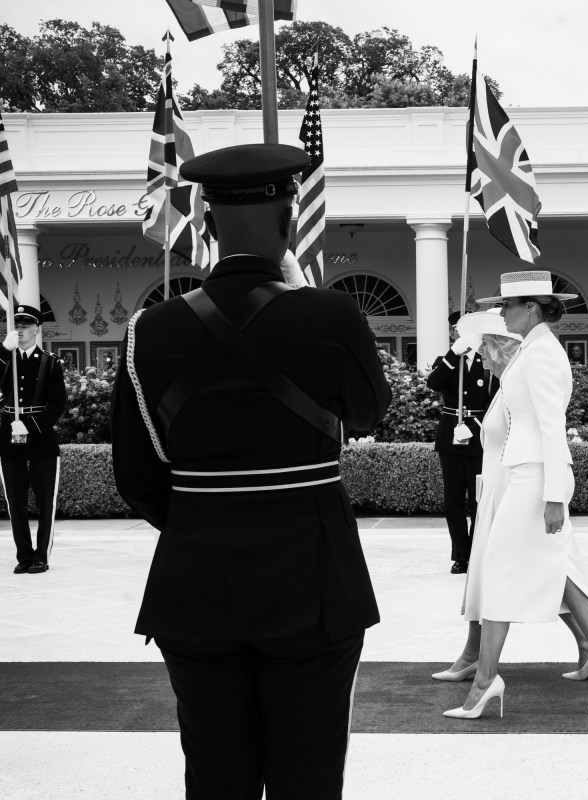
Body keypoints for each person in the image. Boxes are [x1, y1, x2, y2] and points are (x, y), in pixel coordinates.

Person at [111, 143, 392, 799]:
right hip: (313, 584)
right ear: (290, 220)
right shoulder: (331, 316)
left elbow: (137, 477)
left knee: (215, 779)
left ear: (205, 222)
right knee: (308, 779)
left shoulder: (149, 330)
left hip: (197, 584)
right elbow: (371, 413)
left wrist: (208, 520)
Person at [443, 270, 588, 719]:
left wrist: (555, 493)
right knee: (566, 579)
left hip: (535, 478)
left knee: (501, 570)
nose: (501, 313)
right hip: (525, 473)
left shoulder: (542, 354)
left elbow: (552, 427)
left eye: (507, 306)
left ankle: (483, 683)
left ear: (530, 307)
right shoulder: (532, 351)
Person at [433, 309, 588, 685]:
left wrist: (553, 494)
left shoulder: (522, 376)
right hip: (499, 489)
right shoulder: (507, 384)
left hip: (519, 490)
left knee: (531, 573)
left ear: (502, 349)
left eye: (487, 348)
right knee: (552, 571)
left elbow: (549, 431)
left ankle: (482, 671)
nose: (484, 356)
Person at [426, 310, 499, 574]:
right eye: (458, 330)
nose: (461, 334)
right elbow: (434, 383)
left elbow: (496, 401)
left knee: (479, 497)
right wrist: (452, 354)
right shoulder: (447, 360)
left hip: (477, 436)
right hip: (450, 436)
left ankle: (478, 553)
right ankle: (461, 555)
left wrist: (476, 427)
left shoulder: (488, 363)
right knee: (453, 499)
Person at [1, 305, 67, 575]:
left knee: (44, 501)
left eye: (27, 325)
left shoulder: (50, 363)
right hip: (8, 437)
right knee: (15, 502)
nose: (21, 329)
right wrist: (3, 352)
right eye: (18, 325)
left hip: (40, 439)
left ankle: (41, 556)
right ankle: (24, 556)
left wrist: (28, 425)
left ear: (38, 331)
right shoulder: (6, 359)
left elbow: (57, 405)